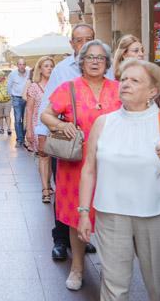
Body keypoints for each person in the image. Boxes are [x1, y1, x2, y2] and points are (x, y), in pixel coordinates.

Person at [78, 60, 160, 301]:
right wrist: (84, 212)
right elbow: (89, 170)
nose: (125, 84)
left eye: (135, 81)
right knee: (114, 282)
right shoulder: (104, 122)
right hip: (111, 213)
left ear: (153, 90)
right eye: (124, 79)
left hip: (155, 213)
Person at [41, 39, 120, 289]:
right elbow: (46, 114)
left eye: (100, 58)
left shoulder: (119, 88)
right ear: (81, 62)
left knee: (110, 216)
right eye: (90, 57)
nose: (95, 61)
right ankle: (77, 268)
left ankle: (112, 270)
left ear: (107, 63)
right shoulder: (69, 88)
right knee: (78, 216)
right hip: (76, 163)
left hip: (111, 163)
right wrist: (61, 125)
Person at [35, 23, 108, 260]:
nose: (84, 43)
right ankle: (61, 238)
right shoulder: (62, 70)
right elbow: (48, 105)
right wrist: (42, 135)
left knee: (92, 192)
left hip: (99, 146)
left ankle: (82, 236)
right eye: (79, 40)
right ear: (72, 44)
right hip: (68, 143)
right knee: (65, 192)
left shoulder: (107, 69)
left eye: (89, 38)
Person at [25, 56, 55, 202]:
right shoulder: (34, 87)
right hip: (39, 127)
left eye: (51, 66)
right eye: (46, 66)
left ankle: (48, 184)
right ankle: (45, 189)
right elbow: (29, 110)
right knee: (44, 156)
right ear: (40, 69)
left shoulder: (57, 86)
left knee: (52, 158)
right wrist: (29, 130)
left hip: (55, 127)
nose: (49, 68)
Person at [7, 58, 30, 146]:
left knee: (25, 119)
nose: (22, 66)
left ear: (25, 65)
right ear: (17, 65)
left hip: (27, 99)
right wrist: (11, 97)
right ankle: (19, 139)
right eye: (20, 64)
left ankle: (23, 137)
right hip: (16, 98)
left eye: (23, 64)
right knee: (17, 119)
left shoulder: (29, 73)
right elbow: (9, 86)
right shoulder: (12, 74)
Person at [0, 71, 12, 135]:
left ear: (2, 76)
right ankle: (1, 129)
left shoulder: (8, 82)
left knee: (7, 115)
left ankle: (9, 128)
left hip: (7, 101)